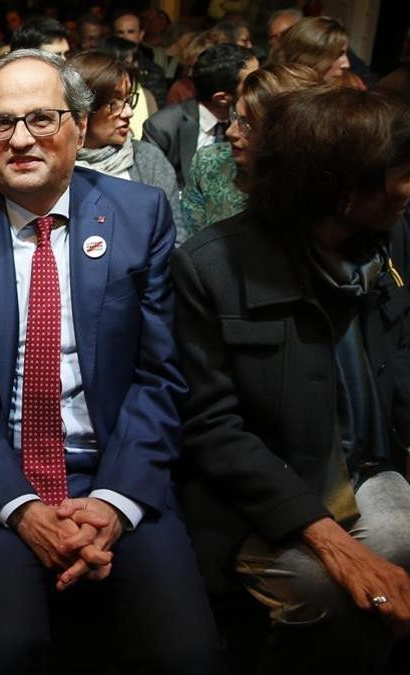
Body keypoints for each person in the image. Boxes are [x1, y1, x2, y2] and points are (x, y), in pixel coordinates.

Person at [0, 49, 220, 675]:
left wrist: (114, 502)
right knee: (5, 649)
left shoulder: (137, 215)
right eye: (1, 123)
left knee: (187, 654)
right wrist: (20, 507)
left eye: (41, 119)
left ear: (78, 123)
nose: (20, 139)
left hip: (117, 470)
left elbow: (160, 375)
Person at [175, 86, 410, 675]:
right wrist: (329, 539)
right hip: (255, 491)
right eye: (397, 175)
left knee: (400, 551)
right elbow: (211, 429)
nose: (407, 189)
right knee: (329, 594)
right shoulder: (212, 267)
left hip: (361, 464)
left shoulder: (382, 248)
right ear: (342, 191)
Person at [181, 63, 320, 238]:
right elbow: (191, 244)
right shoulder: (210, 164)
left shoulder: (320, 182)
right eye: (235, 116)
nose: (230, 131)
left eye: (247, 124)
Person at [68, 51, 184, 240]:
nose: (128, 112)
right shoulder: (60, 166)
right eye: (113, 103)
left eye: (128, 100)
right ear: (82, 108)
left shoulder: (147, 159)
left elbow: (175, 235)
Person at [143, 43, 257, 187]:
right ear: (222, 98)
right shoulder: (163, 127)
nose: (261, 84)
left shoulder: (254, 121)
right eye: (251, 81)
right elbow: (152, 187)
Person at [268, 17, 351, 85]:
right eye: (338, 54)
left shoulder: (346, 92)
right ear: (309, 58)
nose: (346, 64)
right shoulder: (271, 98)